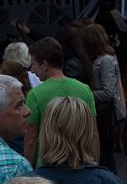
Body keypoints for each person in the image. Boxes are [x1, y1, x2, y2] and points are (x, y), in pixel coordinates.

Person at [25, 37, 96, 167]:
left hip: (48, 167)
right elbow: (93, 134)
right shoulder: (85, 89)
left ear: (45, 65)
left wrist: (28, 170)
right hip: (80, 164)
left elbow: (31, 140)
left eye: (34, 64)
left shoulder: (34, 94)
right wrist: (95, 164)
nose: (32, 70)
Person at [80, 23, 125, 173]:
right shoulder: (102, 58)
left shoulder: (105, 60)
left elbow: (108, 92)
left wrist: (84, 92)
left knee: (106, 156)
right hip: (103, 112)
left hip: (106, 113)